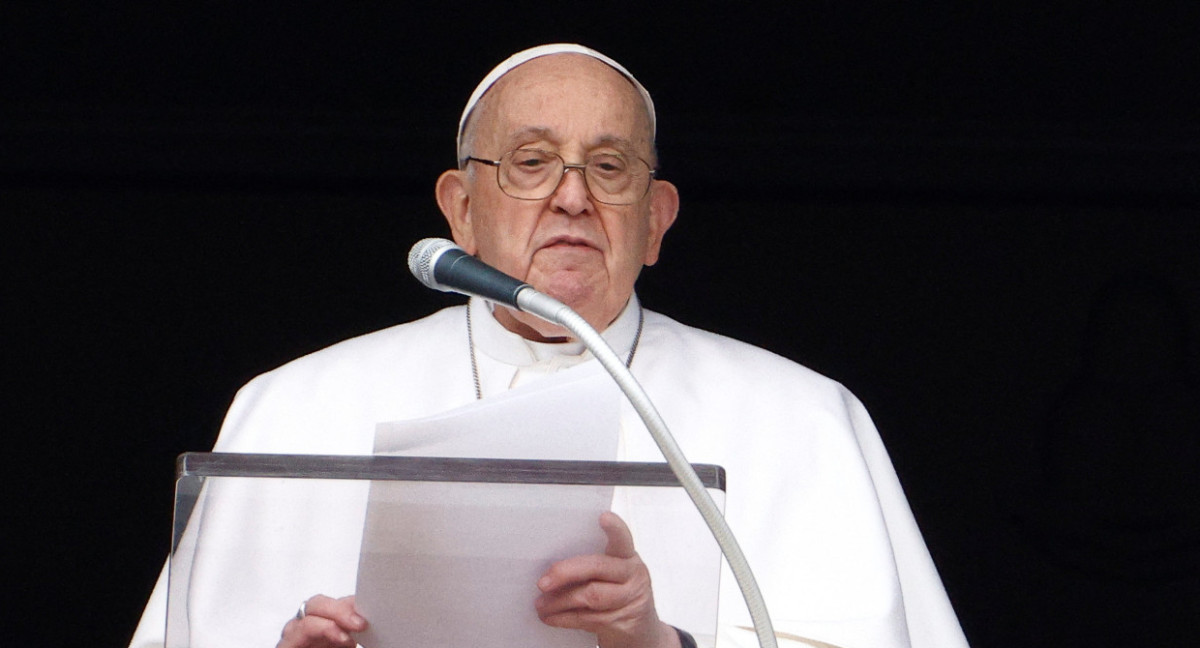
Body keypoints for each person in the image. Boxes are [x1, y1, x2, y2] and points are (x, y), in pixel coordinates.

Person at [129, 44, 969, 648]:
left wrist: (653, 642)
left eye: (609, 168)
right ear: (460, 207)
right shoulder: (296, 406)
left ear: (657, 221)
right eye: (530, 163)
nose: (571, 197)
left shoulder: (801, 418)